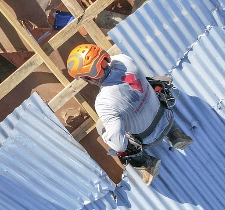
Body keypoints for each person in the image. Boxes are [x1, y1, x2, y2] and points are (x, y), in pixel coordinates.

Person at [65, 44, 193, 183]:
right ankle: (175, 134)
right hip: (166, 116)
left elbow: (119, 145)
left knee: (102, 127)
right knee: (152, 85)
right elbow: (110, 61)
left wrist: (110, 137)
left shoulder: (104, 103)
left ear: (89, 78)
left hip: (150, 138)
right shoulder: (125, 60)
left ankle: (146, 163)